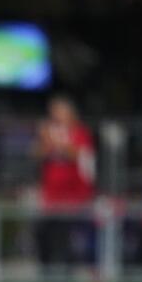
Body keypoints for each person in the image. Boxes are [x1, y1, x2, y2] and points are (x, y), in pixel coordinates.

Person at [33, 96, 96, 267]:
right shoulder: (48, 132)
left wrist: (56, 142)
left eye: (58, 112)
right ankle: (45, 271)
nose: (54, 116)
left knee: (66, 236)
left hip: (74, 197)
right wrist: (46, 141)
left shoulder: (80, 132)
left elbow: (79, 154)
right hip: (51, 197)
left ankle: (66, 271)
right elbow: (37, 154)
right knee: (42, 233)